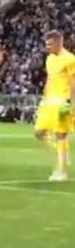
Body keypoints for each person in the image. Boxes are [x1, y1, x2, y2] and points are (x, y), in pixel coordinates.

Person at [33, 31, 75, 182]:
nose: (47, 47)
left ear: (59, 42)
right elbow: (50, 80)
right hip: (49, 101)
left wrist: (71, 102)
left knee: (60, 135)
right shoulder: (49, 59)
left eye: (50, 44)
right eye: (46, 44)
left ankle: (61, 171)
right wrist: (43, 98)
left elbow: (73, 82)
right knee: (39, 133)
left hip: (62, 101)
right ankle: (62, 154)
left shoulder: (70, 59)